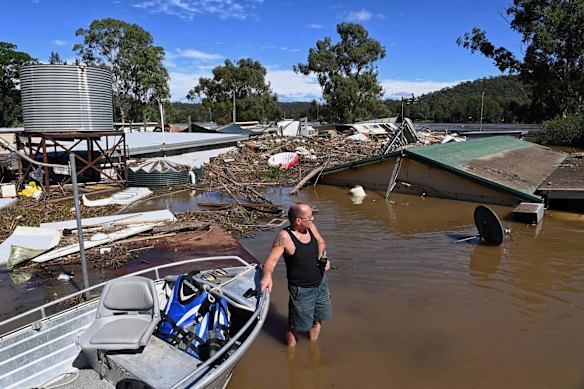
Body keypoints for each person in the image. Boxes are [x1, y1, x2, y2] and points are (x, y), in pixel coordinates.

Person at [260, 203, 332, 346]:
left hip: (321, 283)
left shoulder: (310, 227)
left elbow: (321, 241)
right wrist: (267, 276)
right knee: (295, 327)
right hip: (301, 290)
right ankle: (291, 356)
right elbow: (270, 262)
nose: (313, 219)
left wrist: (323, 258)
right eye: (309, 217)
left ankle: (313, 349)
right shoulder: (284, 237)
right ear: (298, 221)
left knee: (317, 320)